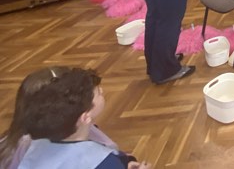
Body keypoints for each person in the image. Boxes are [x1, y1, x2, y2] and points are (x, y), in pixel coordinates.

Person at [11, 67, 151, 169]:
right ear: (85, 117)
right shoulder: (103, 162)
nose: (102, 91)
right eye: (98, 93)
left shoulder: (34, 147)